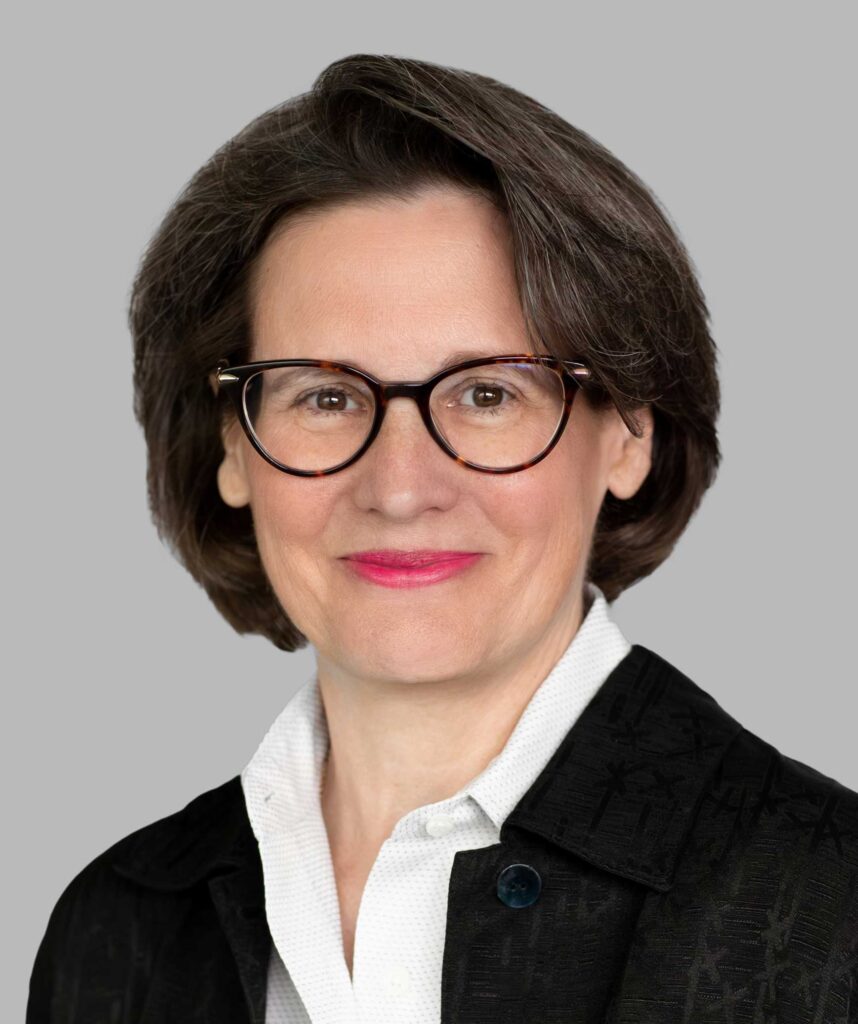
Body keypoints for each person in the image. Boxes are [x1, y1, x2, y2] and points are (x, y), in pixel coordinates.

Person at [27, 53, 857, 1024]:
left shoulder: (830, 914)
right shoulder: (117, 926)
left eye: (488, 394)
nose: (400, 487)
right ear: (233, 449)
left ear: (630, 431)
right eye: (325, 397)